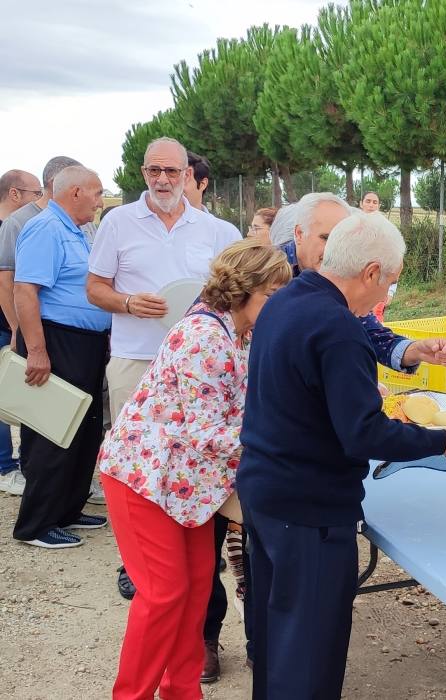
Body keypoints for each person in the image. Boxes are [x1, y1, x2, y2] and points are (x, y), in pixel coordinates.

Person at [237, 212, 446, 700]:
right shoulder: (338, 328)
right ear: (371, 272)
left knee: (275, 634)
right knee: (308, 650)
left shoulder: (286, 301)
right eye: (390, 282)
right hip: (309, 508)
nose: (386, 296)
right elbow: (364, 433)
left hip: (265, 490)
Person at [98, 239, 291, 700]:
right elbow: (207, 434)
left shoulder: (238, 332)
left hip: (181, 483)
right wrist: (283, 441)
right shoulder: (205, 336)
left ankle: (182, 691)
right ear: (241, 291)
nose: (280, 304)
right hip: (143, 477)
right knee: (164, 593)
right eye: (271, 294)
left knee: (197, 585)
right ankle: (132, 695)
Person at [87, 136, 240, 623]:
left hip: (205, 368)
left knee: (200, 462)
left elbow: (241, 292)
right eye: (154, 170)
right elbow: (95, 288)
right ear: (143, 172)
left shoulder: (217, 230)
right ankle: (139, 564)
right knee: (141, 468)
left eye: (172, 171)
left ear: (188, 175)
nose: (163, 180)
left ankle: (197, 564)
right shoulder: (117, 221)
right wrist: (129, 303)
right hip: (138, 360)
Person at [12, 166, 110, 549]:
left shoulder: (79, 230)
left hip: (84, 343)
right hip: (56, 340)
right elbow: (25, 291)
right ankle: (35, 524)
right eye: (97, 192)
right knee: (53, 431)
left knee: (83, 430)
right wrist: (37, 350)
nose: (101, 199)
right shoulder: (46, 229)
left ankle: (67, 509)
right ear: (74, 193)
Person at [181, 149, 251, 682]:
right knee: (204, 552)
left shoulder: (259, 323)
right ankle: (206, 639)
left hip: (244, 449)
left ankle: (260, 638)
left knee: (252, 550)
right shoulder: (207, 332)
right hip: (212, 453)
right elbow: (201, 426)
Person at [279, 192, 446, 374]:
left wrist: (416, 350)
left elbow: (372, 333)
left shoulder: (338, 274)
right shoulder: (266, 274)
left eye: (340, 240)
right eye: (326, 238)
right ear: (299, 234)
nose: (334, 248)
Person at [0, 168, 43, 496]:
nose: (39, 200)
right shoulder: (10, 228)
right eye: (35, 193)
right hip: (6, 328)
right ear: (15, 194)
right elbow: (5, 282)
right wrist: (17, 327)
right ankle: (6, 467)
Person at [183, 151, 242, 242]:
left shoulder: (227, 235)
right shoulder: (154, 231)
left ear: (203, 184)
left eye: (184, 179)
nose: (175, 187)